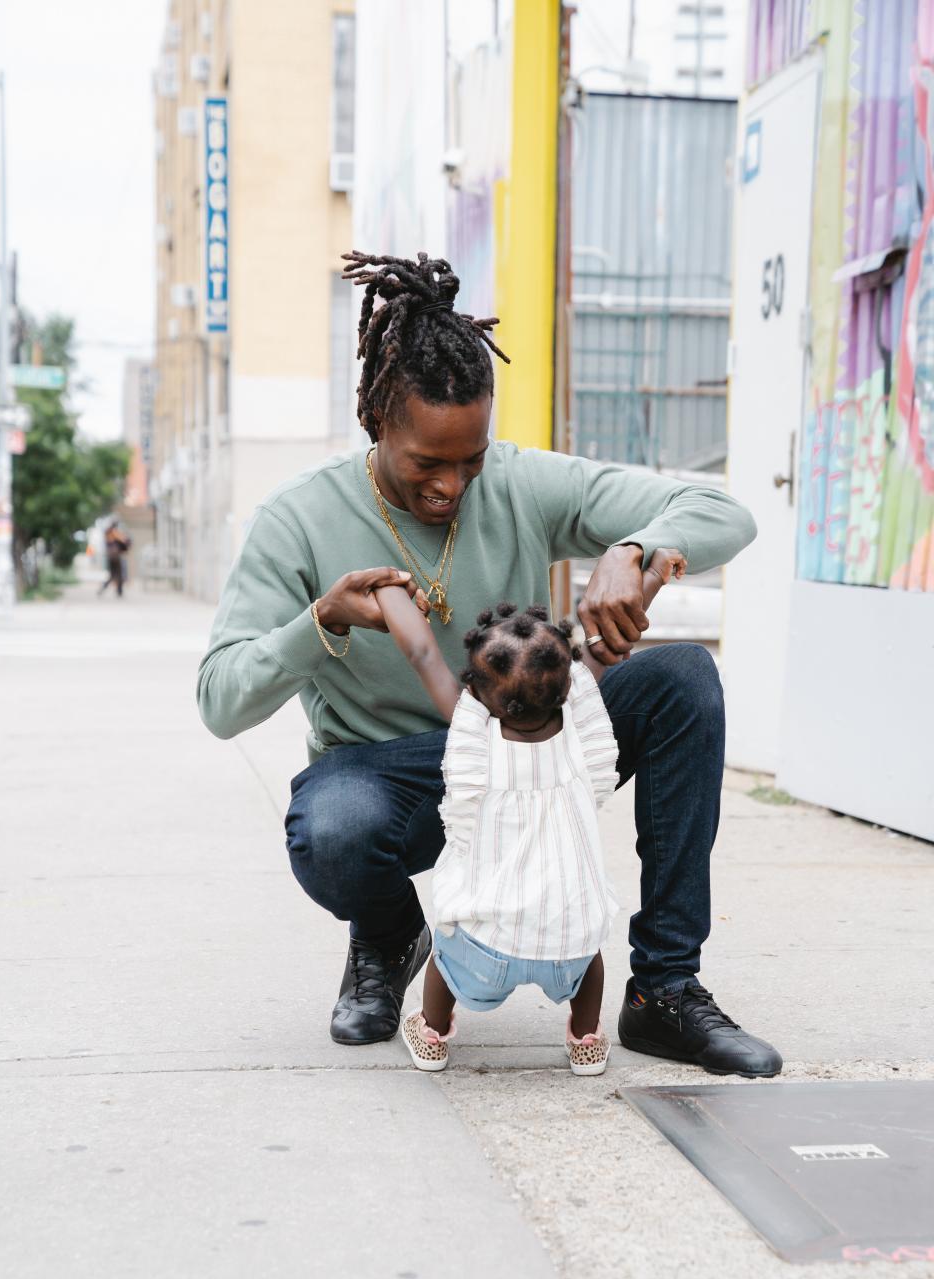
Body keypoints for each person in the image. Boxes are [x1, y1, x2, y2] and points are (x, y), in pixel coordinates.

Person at [198, 249, 782, 1078]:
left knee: (685, 680)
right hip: (385, 775)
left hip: (526, 742)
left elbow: (725, 511)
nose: (452, 485)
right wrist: (321, 619)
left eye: (469, 459)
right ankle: (393, 933)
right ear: (376, 424)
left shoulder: (517, 481)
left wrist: (641, 547)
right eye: (426, 463)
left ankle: (664, 990)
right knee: (330, 832)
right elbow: (220, 701)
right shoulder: (297, 518)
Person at [376, 552, 684, 1075]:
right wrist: (652, 576)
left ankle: (430, 1032)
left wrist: (388, 593)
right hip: (567, 944)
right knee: (591, 960)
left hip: (485, 946)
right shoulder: (584, 761)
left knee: (446, 954)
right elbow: (608, 647)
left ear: (480, 690)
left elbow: (424, 654)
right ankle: (586, 1039)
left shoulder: (475, 741)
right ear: (567, 687)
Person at [99, 521, 130, 598]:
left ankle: (106, 588)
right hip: (115, 557)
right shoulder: (114, 533)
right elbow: (124, 541)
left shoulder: (108, 532)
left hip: (111, 556)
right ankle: (119, 591)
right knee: (118, 574)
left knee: (113, 575)